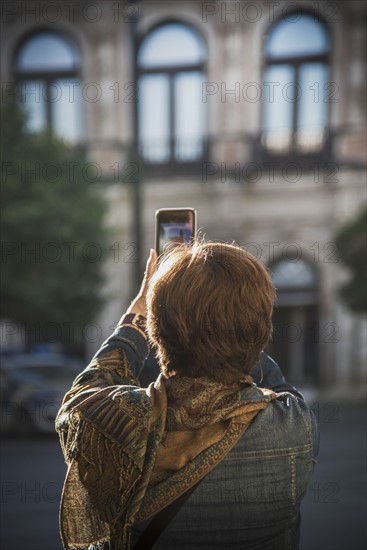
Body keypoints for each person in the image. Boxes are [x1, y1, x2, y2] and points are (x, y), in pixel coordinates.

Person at [56, 241, 319, 550]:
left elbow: (85, 389)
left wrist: (136, 315)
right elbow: (272, 376)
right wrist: (234, 317)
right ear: (261, 330)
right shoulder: (296, 425)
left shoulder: (114, 422)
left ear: (157, 333)